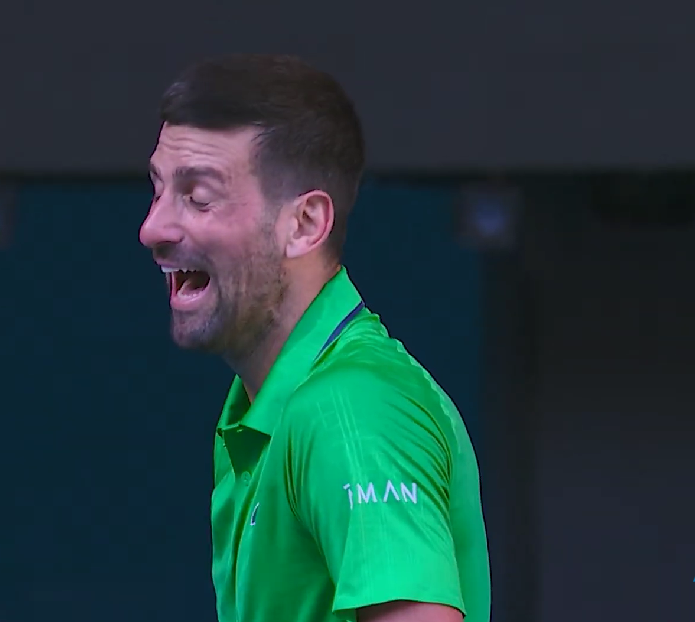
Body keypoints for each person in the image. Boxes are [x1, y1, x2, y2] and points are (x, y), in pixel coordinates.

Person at [139, 54, 490, 622]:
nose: (152, 227)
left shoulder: (349, 408)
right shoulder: (260, 416)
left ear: (304, 225)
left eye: (198, 197)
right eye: (157, 191)